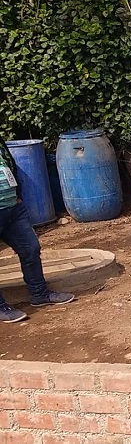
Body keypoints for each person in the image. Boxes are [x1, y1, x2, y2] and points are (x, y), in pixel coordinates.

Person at [0, 137, 74, 323]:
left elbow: (10, 165)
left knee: (31, 249)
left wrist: (17, 196)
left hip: (13, 209)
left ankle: (39, 294)